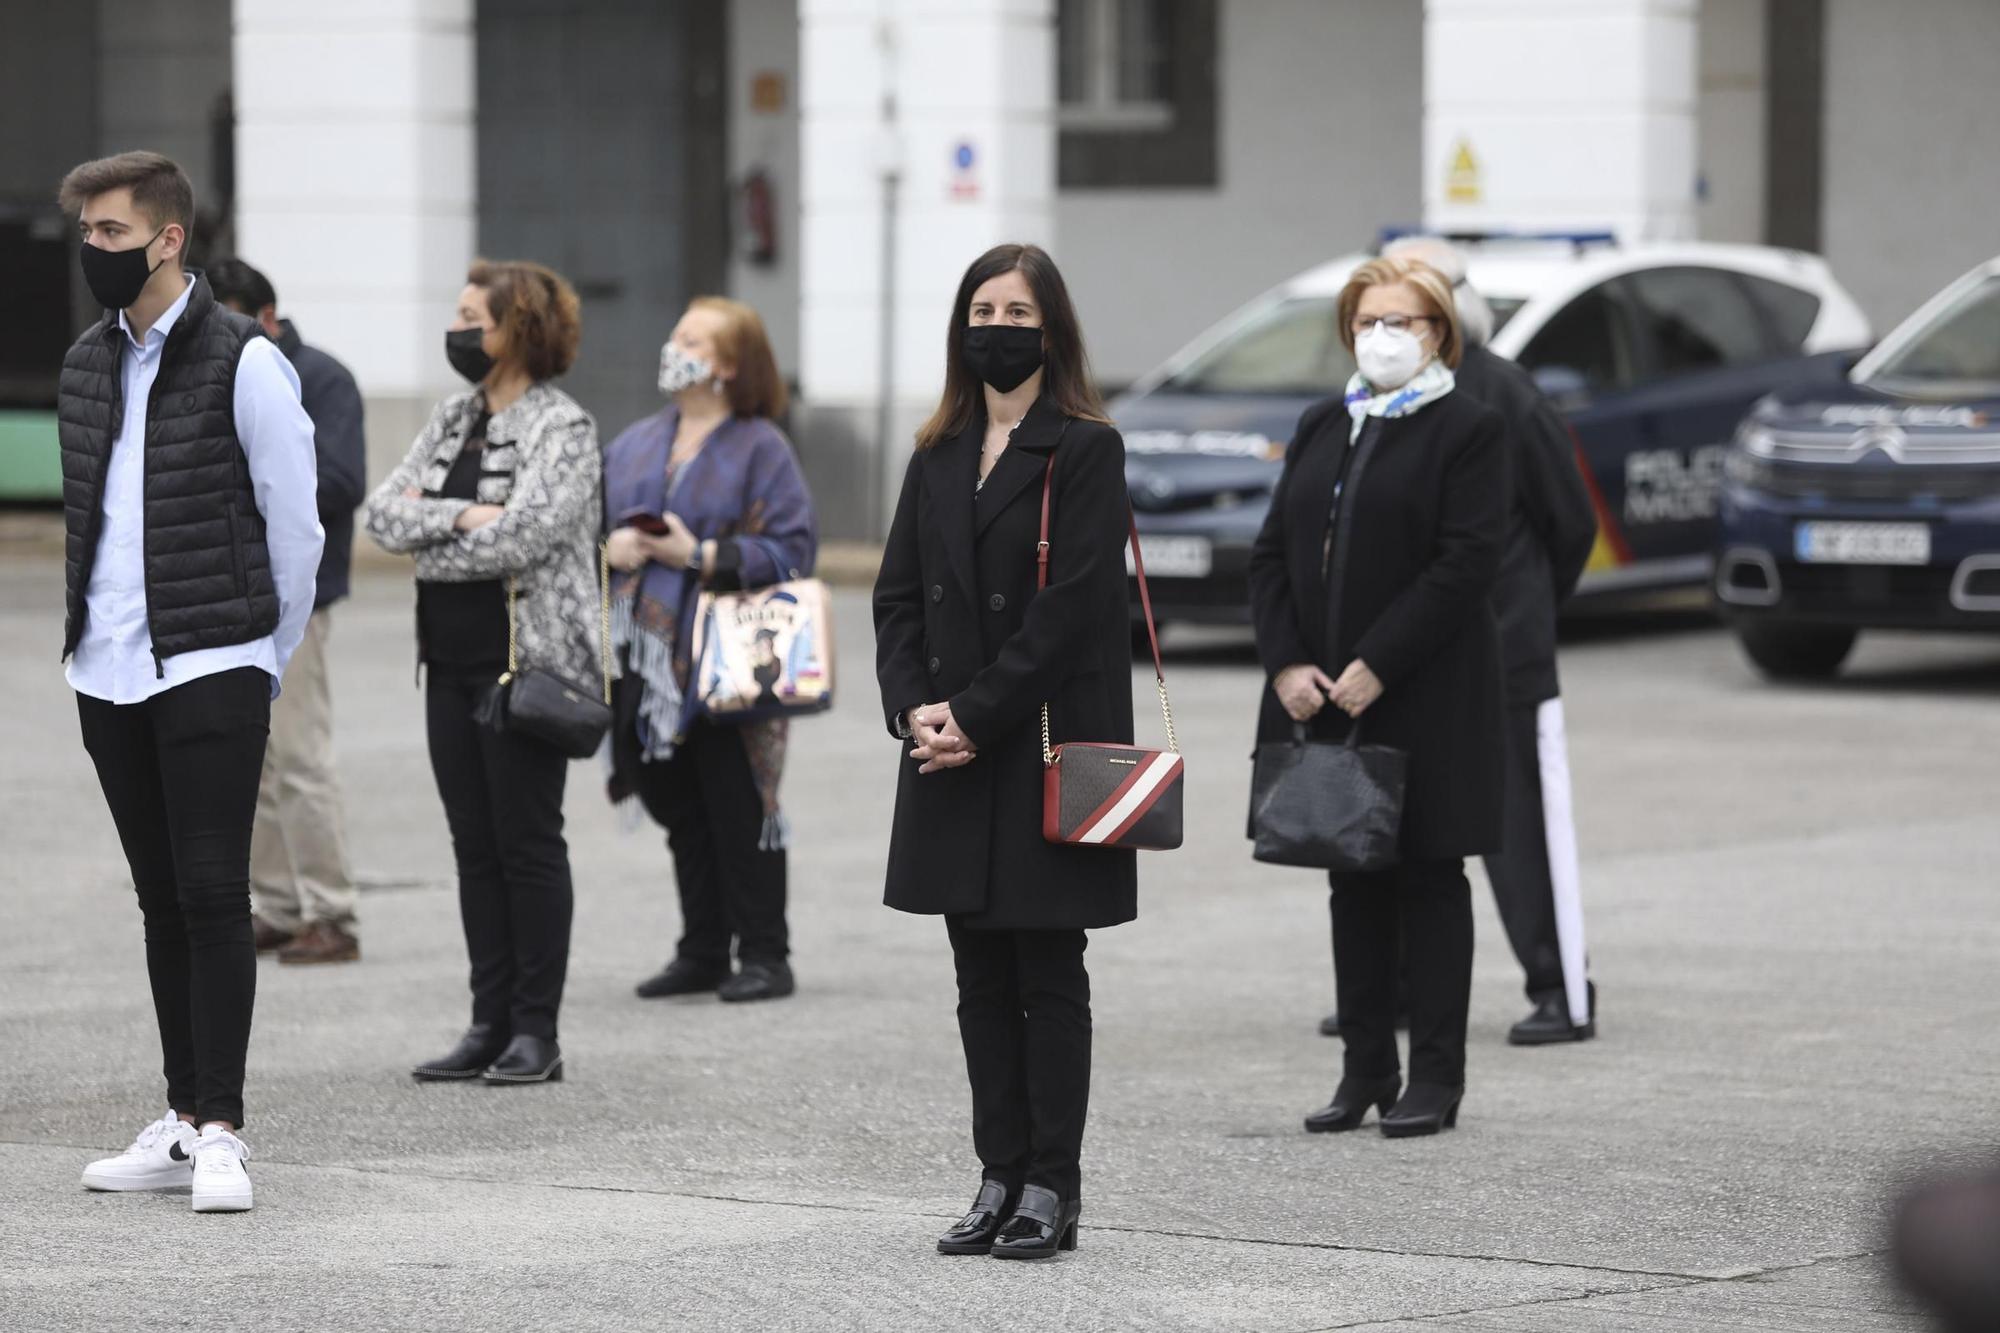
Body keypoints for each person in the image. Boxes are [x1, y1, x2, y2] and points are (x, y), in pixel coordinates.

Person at [58, 152, 323, 1213]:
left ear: (169, 239)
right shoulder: (86, 362)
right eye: (86, 232)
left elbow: (294, 522)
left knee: (215, 893)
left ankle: (223, 1128)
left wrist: (266, 652)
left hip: (214, 660)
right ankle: (178, 1118)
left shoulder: (244, 361)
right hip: (108, 668)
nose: (93, 252)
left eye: (112, 234)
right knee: (161, 899)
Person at [873, 243, 1134, 1260]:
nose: (997, 323)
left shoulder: (1084, 447)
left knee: (1045, 966)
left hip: (1031, 741)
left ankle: (1050, 1186)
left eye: (1016, 308)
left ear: (1049, 327)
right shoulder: (936, 446)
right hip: (945, 748)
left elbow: (1067, 613)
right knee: (976, 970)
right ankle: (994, 1172)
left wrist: (970, 716)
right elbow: (896, 596)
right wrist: (913, 713)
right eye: (982, 306)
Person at [1248, 255, 1509, 1138]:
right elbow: (1272, 555)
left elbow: (1466, 562)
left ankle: (1435, 1075)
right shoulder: (1328, 421)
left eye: (1405, 322)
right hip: (1319, 694)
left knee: (1431, 879)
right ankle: (1365, 1067)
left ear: (1441, 332)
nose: (1385, 338)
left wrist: (1378, 662)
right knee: (1349, 877)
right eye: (1368, 322)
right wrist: (1288, 663)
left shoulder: (1468, 429)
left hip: (1423, 692)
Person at [362, 259, 600, 1087]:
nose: (459, 330)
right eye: (458, 315)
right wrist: (460, 513)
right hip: (450, 663)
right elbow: (381, 514)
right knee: (473, 848)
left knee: (527, 844)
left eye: (474, 317)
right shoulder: (452, 417)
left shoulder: (562, 428)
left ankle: (537, 1031)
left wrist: (437, 541)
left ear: (519, 330)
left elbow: (527, 534)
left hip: (524, 667)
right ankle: (487, 1021)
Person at [1384, 235, 1600, 1045]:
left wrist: (1530, 605)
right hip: (1403, 659)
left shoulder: (1507, 393)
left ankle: (1560, 986)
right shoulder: (1377, 394)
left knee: (1518, 831)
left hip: (1503, 653)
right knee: (1396, 825)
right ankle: (1395, 985)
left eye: (1411, 308)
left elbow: (1568, 521)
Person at [604, 297, 817, 1005]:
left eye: (694, 339)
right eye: (677, 333)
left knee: (739, 800)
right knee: (671, 793)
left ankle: (765, 951)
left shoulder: (763, 446)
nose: (677, 345)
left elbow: (792, 548)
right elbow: (591, 525)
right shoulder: (638, 440)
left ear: (728, 364)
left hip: (731, 653)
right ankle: (702, 948)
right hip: (644, 654)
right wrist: (613, 545)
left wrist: (698, 552)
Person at [208, 257, 367, 966]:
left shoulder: (323, 377)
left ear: (267, 317)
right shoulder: (217, 369)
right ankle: (275, 904)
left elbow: (339, 479)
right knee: (258, 763)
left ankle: (331, 912)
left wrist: (259, 477)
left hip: (297, 593)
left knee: (301, 757)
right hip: (231, 595)